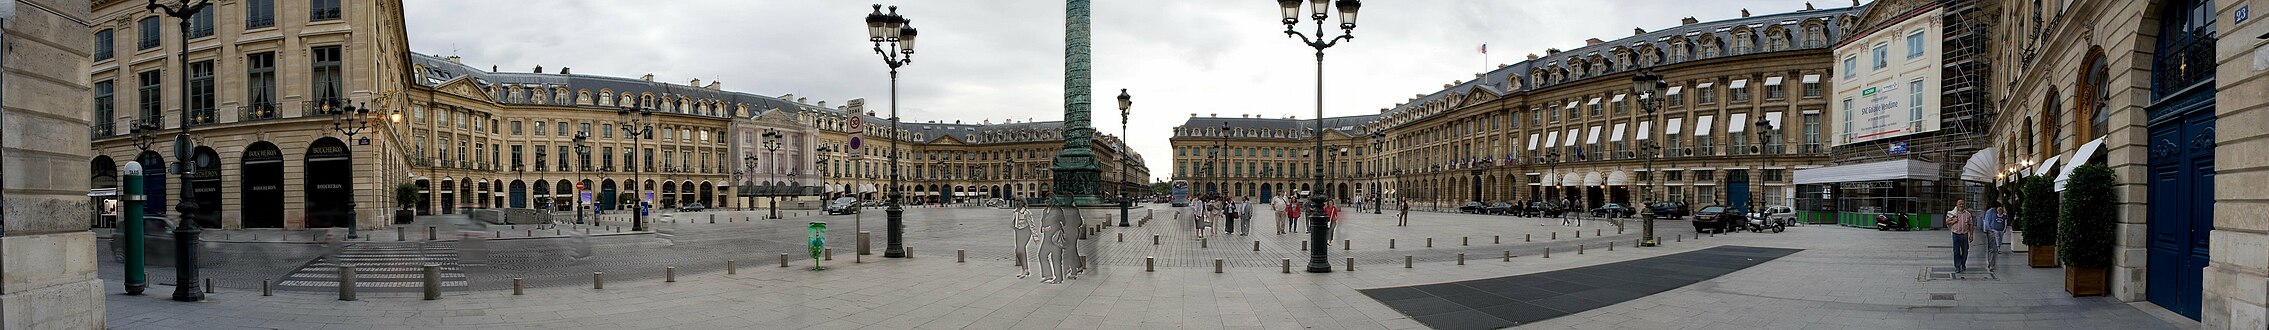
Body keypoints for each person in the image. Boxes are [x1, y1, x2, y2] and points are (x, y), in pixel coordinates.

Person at [1947, 199, 1975, 273]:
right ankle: (1957, 266)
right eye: (1960, 204)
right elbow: (1947, 221)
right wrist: (1953, 221)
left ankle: (1963, 263)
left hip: (1964, 235)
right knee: (1956, 251)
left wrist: (1971, 235)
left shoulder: (1968, 214)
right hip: (1956, 235)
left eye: (1962, 204)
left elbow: (1971, 225)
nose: (1961, 205)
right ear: (1957, 205)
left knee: (1965, 251)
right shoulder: (1953, 213)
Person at [1980, 204, 2006, 272]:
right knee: (1991, 248)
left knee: (1992, 249)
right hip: (1991, 231)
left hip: (1993, 231)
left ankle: (1991, 264)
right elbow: (1987, 222)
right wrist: (1990, 230)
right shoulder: (1990, 212)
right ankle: (1991, 264)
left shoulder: (1997, 213)